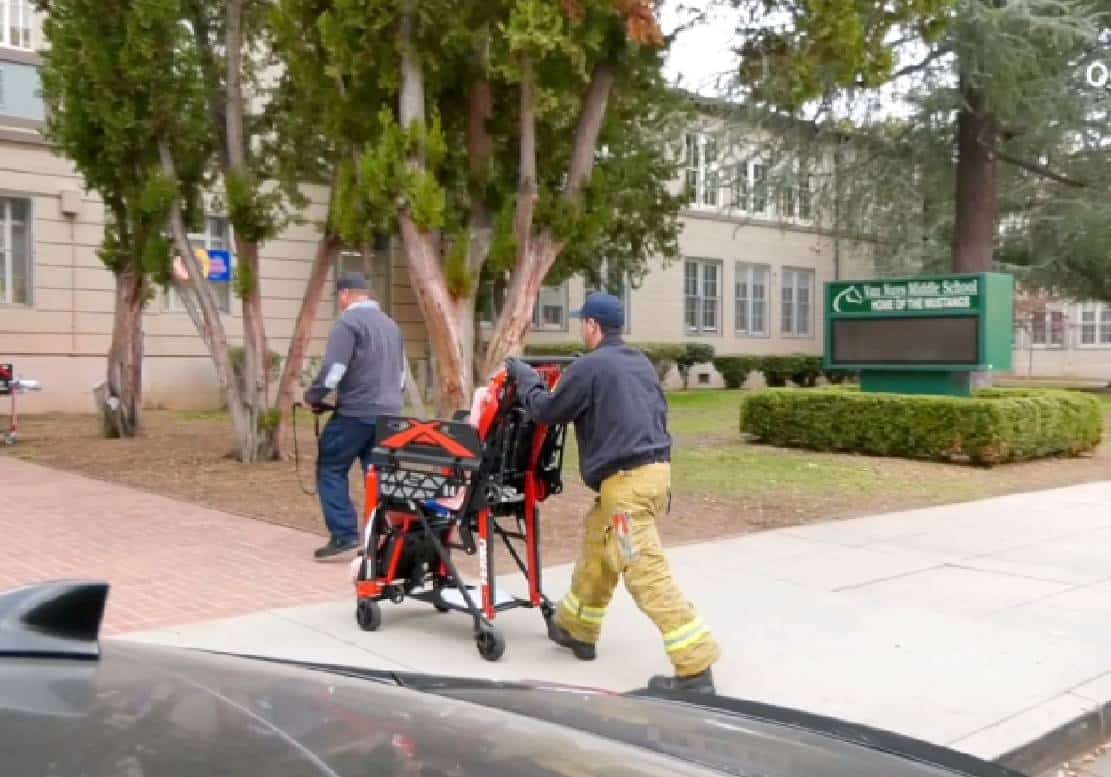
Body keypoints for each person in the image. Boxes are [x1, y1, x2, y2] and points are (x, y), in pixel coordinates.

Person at [506, 292, 721, 694]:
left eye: (582, 323)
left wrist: (527, 380)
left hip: (627, 491)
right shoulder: (638, 363)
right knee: (598, 550)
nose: (581, 328)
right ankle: (576, 629)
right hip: (652, 476)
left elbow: (547, 412)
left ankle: (695, 668)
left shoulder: (590, 367)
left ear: (592, 325)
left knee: (643, 572)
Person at [305, 272, 405, 561]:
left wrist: (314, 396)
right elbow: (400, 375)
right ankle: (383, 537)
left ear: (345, 294)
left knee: (331, 467)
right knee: (377, 475)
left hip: (356, 413)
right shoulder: (391, 325)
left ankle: (344, 535)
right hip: (390, 414)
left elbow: (335, 370)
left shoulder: (348, 323)